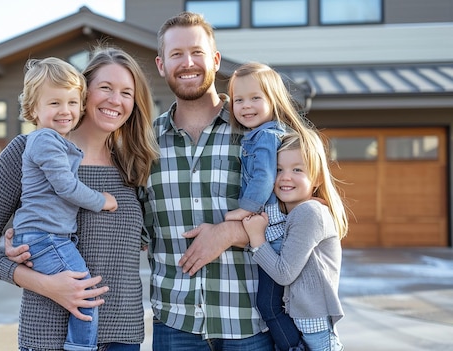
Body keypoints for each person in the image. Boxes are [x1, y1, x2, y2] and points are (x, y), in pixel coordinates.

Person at [0, 47, 159, 351]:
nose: (115, 100)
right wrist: (43, 283)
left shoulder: (134, 163)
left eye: (126, 92)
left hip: (123, 334)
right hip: (49, 335)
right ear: (84, 93)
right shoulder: (28, 150)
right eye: (105, 88)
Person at [142, 11, 273, 350]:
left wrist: (231, 231)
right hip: (174, 321)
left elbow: (302, 212)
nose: (188, 62)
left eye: (197, 52)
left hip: (251, 322)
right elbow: (130, 224)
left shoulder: (259, 133)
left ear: (215, 60)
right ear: (161, 64)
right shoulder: (143, 142)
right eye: (176, 54)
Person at [12, 57, 119, 351]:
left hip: (48, 237)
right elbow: (66, 187)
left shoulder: (55, 142)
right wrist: (103, 201)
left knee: (83, 293)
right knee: (85, 293)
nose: (65, 111)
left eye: (72, 102)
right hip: (46, 238)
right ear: (34, 109)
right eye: (54, 103)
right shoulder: (45, 140)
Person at [223, 62, 313, 351]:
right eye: (239, 100)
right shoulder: (261, 133)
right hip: (272, 228)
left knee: (269, 305)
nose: (245, 106)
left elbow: (263, 176)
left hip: (272, 229)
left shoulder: (265, 137)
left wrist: (245, 209)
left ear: (273, 100)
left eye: (255, 98)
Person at [243, 130, 348, 351]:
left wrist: (256, 238)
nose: (285, 177)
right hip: (302, 327)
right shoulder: (294, 215)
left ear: (317, 177)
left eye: (297, 169)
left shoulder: (309, 212)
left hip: (317, 333)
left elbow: (284, 273)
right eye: (278, 170)